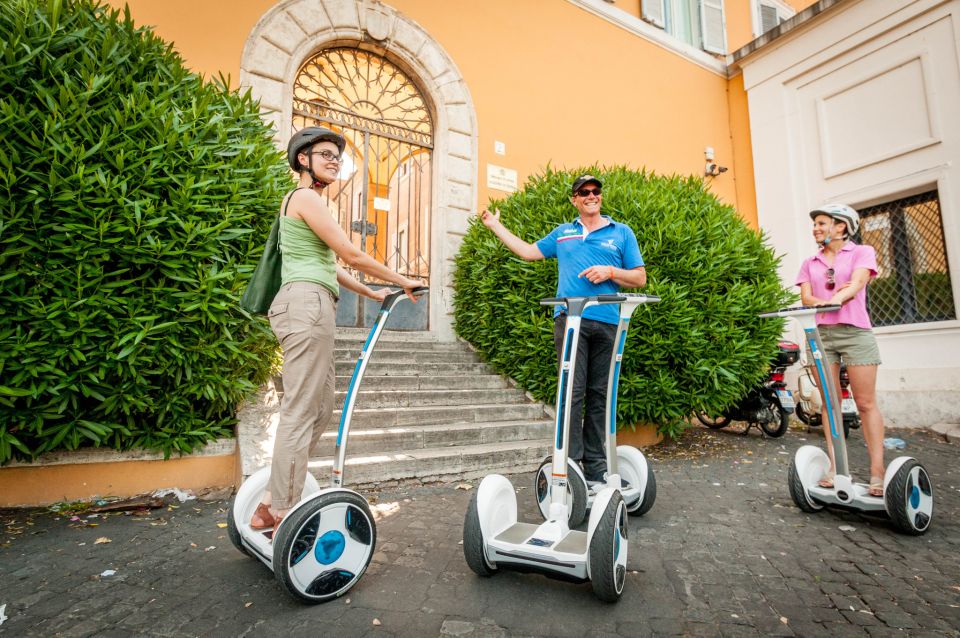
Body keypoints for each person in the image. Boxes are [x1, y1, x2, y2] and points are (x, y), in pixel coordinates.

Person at [251, 126, 423, 530]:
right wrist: (400, 279)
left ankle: (272, 498)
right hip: (305, 305)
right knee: (301, 408)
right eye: (324, 154)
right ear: (302, 160)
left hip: (313, 301)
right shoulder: (305, 197)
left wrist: (373, 293)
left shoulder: (306, 204)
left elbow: (332, 265)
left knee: (321, 408)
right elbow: (349, 251)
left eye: (337, 157)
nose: (333, 160)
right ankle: (282, 509)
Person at [479, 174, 646, 482]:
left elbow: (639, 278)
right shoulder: (563, 233)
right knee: (572, 392)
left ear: (601, 197)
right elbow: (529, 252)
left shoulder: (621, 233)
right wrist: (495, 226)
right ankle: (572, 464)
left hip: (608, 321)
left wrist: (610, 271)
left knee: (600, 394)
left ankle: (597, 466)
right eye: (584, 192)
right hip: (570, 322)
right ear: (575, 199)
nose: (591, 196)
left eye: (595, 191)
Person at [795, 203, 886, 496]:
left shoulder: (862, 252)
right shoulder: (811, 261)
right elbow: (807, 297)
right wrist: (824, 302)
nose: (816, 229)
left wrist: (835, 298)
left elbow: (857, 283)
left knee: (865, 402)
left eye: (822, 223)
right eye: (815, 224)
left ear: (841, 226)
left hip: (856, 332)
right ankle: (837, 469)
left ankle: (877, 472)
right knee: (829, 402)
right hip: (821, 334)